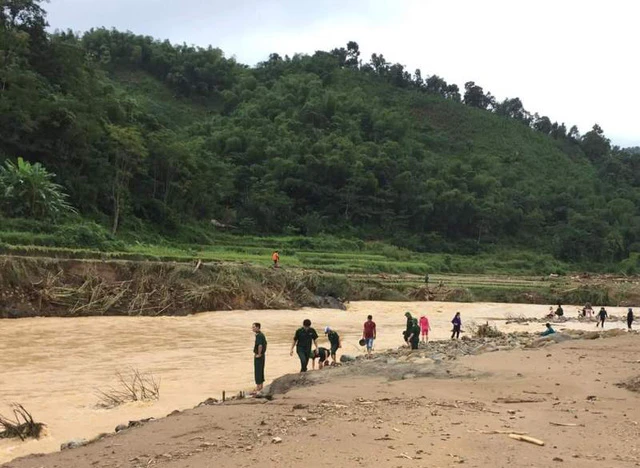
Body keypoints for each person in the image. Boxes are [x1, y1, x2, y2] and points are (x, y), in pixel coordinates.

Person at [252, 322, 267, 394]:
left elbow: (260, 345)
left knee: (257, 370)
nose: (253, 328)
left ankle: (258, 387)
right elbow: (264, 344)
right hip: (262, 355)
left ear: (258, 327)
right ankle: (261, 386)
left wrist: (259, 354)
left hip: (259, 355)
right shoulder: (261, 335)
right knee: (261, 370)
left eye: (254, 327)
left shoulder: (259, 336)